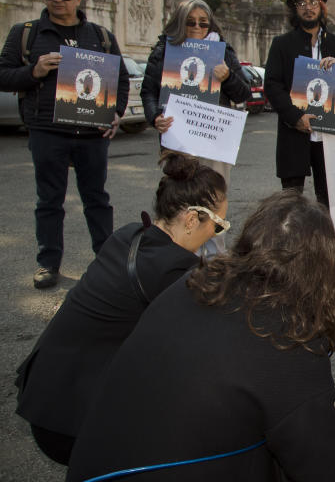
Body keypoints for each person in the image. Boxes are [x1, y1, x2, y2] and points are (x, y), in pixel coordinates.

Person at [66, 191, 335, 481]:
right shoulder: (291, 345)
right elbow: (323, 466)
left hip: (93, 463)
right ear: (323, 266)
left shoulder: (191, 283)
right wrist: (326, 300)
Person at [15, 152, 227, 464]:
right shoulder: (176, 271)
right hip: (74, 423)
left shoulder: (129, 234)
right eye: (219, 225)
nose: (218, 234)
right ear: (192, 219)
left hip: (46, 394)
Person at [0, 0, 129, 289]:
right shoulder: (26, 33)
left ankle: (106, 260)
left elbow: (121, 81)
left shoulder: (100, 36)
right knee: (49, 200)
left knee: (97, 198)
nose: (58, 0)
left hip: (91, 132)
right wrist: (35, 70)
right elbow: (3, 76)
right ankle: (48, 263)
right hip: (47, 130)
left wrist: (115, 113)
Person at [140, 0, 250, 255]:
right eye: (190, 22)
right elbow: (148, 92)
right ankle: (180, 256)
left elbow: (244, 93)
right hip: (179, 139)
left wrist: (228, 77)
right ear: (179, 24)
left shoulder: (223, 52)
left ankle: (213, 259)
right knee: (180, 199)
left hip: (214, 139)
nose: (197, 28)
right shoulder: (164, 51)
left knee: (213, 199)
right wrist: (155, 116)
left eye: (203, 23)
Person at [264, 0, 335, 206]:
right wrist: (295, 117)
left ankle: (328, 241)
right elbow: (273, 85)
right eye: (301, 2)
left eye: (313, 2)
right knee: (291, 203)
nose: (308, 7)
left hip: (329, 138)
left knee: (330, 201)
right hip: (294, 133)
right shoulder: (281, 44)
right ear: (295, 9)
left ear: (321, 6)